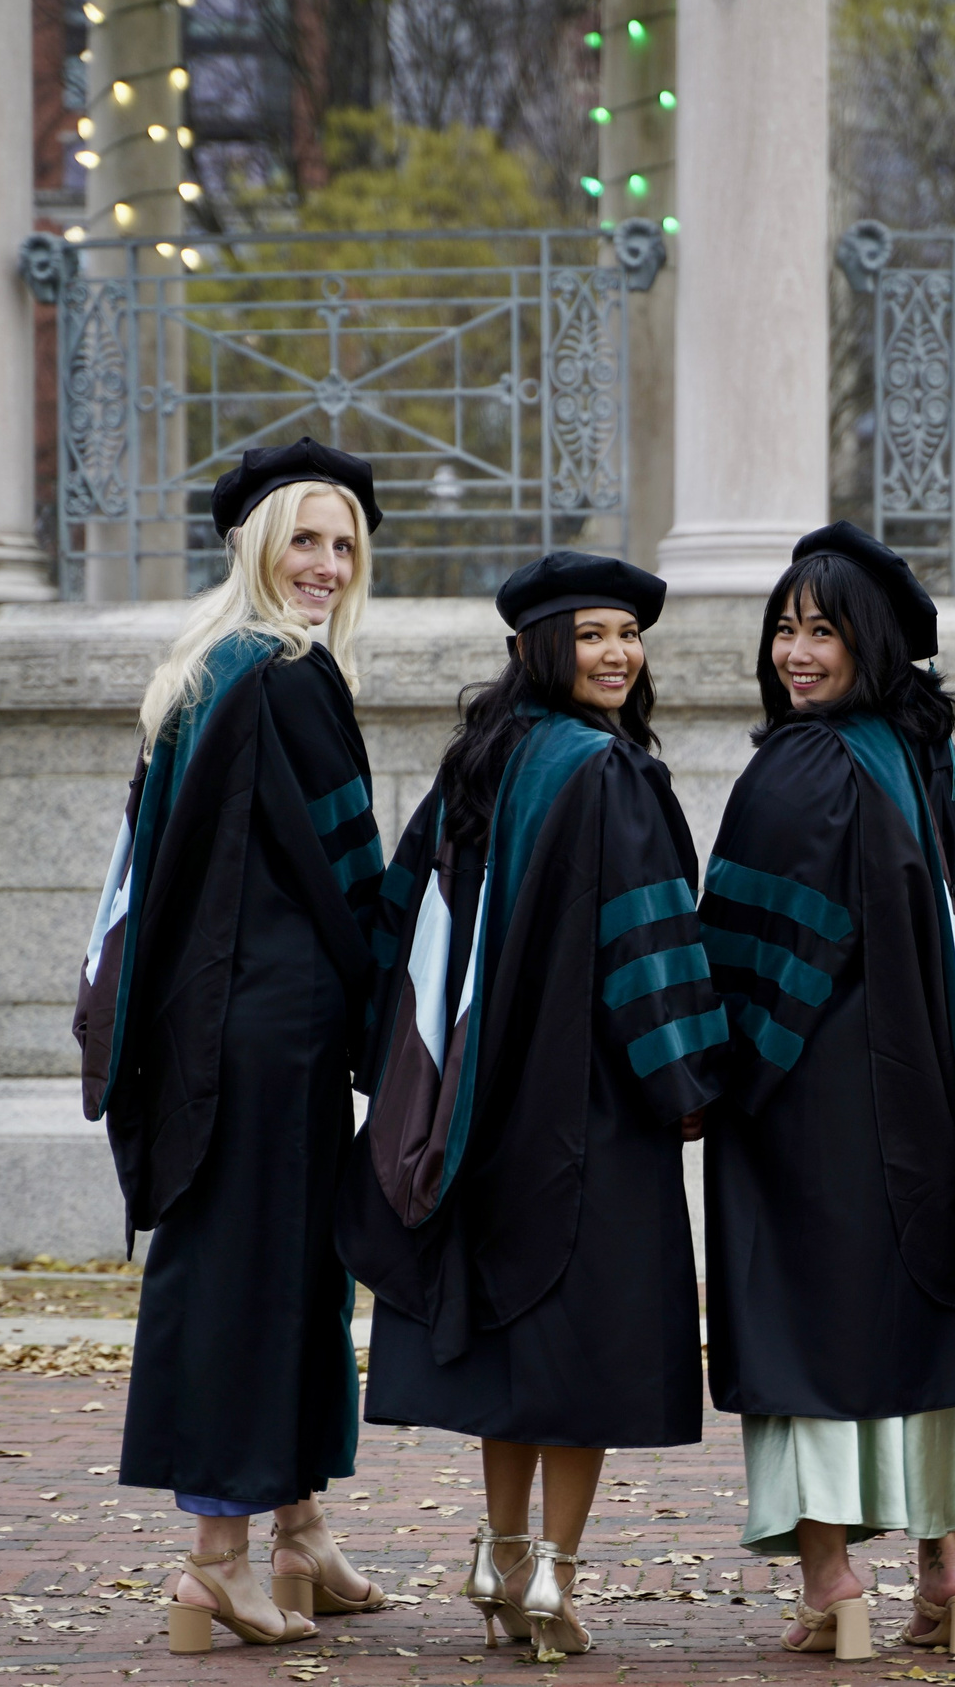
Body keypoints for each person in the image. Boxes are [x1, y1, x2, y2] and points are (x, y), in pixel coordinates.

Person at [337, 550, 723, 1662]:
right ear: (533, 648)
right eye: (592, 633)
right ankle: (552, 1572)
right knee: (585, 1354)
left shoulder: (478, 765)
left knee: (510, 1346)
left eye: (627, 634)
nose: (614, 653)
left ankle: (494, 1554)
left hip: (481, 1108)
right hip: (591, 1114)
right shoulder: (612, 774)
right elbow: (650, 951)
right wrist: (689, 1084)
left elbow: (401, 931)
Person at [701, 524, 955, 1662]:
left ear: (871, 640)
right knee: (928, 1322)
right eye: (785, 629)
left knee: (805, 1319)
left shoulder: (799, 768)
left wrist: (718, 1078)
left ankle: (831, 1576)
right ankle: (950, 1574)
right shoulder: (934, 758)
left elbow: (762, 964)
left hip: (811, 1099)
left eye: (821, 631)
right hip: (934, 1088)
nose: (796, 654)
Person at [75, 437, 392, 1654]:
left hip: (215, 1023)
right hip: (275, 1028)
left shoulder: (202, 674)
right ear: (256, 548)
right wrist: (397, 1009)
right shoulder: (284, 675)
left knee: (291, 1271)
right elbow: (346, 870)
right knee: (248, 1278)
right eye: (304, 539)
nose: (325, 563)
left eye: (344, 544)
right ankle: (216, 1555)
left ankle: (298, 1527)